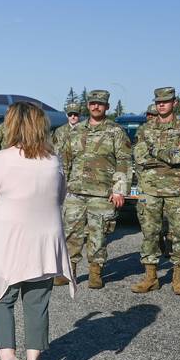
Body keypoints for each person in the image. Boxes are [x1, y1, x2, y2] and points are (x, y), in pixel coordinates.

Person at [0, 102, 73, 360]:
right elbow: (60, 196)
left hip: (11, 242)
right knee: (37, 302)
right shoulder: (53, 160)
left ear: (12, 125)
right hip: (46, 243)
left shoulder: (1, 160)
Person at [57, 90, 130, 289]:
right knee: (70, 232)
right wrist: (62, 187)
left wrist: (119, 189)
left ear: (107, 107)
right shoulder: (76, 130)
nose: (96, 106)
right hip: (75, 190)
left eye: (100, 103)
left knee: (98, 234)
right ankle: (68, 271)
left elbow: (123, 160)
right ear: (88, 106)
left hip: (102, 192)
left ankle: (95, 272)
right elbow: (66, 160)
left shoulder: (116, 131)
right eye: (92, 103)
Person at [131, 87, 180, 295]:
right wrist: (169, 153)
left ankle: (178, 279)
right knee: (149, 234)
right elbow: (140, 157)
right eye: (158, 101)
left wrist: (154, 150)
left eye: (166, 101)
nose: (161, 104)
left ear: (174, 103)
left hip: (178, 189)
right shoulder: (145, 129)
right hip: (150, 188)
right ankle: (151, 277)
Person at [53, 100, 82, 174]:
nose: (73, 117)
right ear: (66, 115)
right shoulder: (59, 131)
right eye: (70, 114)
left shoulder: (85, 131)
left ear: (79, 115)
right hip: (63, 169)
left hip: (79, 170)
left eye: (75, 114)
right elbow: (54, 150)